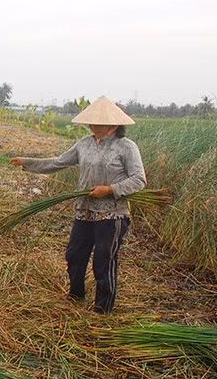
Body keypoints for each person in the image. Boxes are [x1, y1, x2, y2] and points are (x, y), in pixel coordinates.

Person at [9, 96, 146, 314]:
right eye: (91, 121)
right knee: (74, 255)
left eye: (97, 121)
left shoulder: (126, 147)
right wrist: (27, 162)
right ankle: (76, 296)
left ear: (113, 124)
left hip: (112, 215)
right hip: (84, 211)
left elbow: (139, 180)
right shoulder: (84, 144)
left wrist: (109, 190)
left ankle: (103, 309)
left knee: (103, 261)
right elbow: (58, 162)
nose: (92, 125)